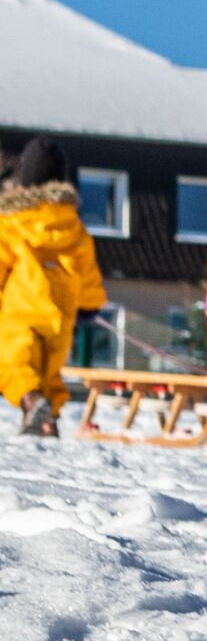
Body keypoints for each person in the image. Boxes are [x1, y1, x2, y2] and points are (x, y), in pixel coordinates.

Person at [1, 139, 105, 433]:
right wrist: (89, 305)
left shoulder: (13, 222)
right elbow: (87, 271)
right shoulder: (73, 225)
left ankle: (33, 403)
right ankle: (48, 421)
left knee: (13, 363)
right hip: (62, 314)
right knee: (49, 371)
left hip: (23, 310)